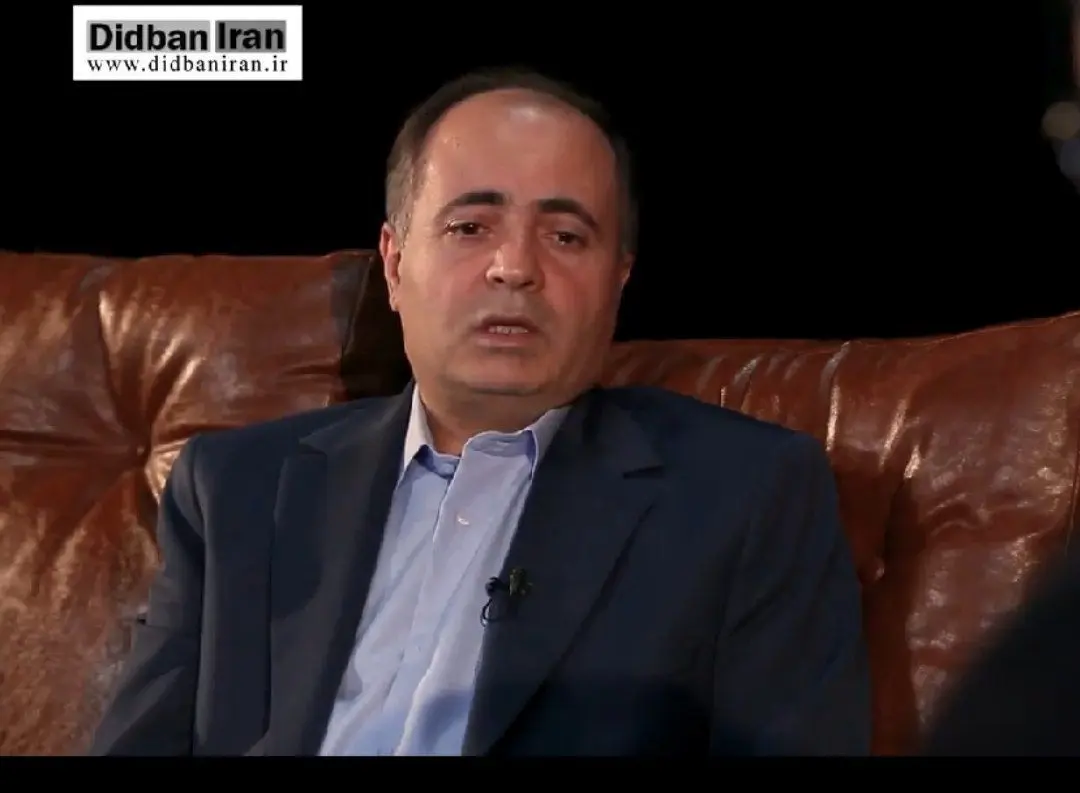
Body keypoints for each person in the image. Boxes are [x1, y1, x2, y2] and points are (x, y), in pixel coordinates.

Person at [90, 67, 871, 756]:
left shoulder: (745, 494)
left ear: (619, 279)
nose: (515, 267)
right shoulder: (235, 487)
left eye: (566, 236)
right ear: (395, 263)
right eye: (470, 227)